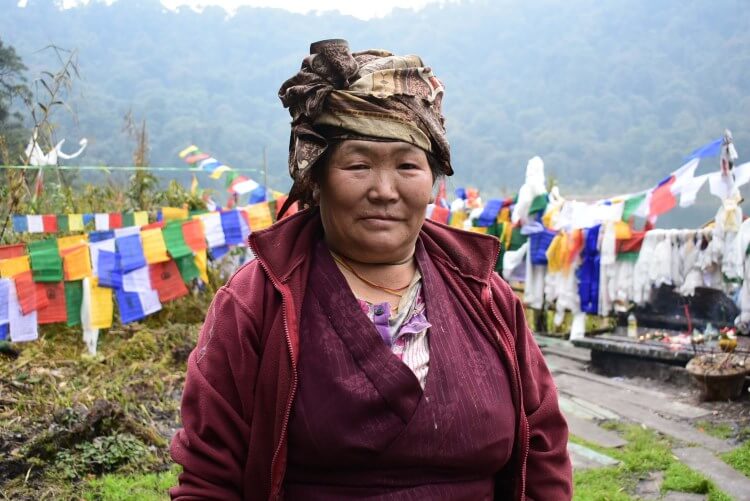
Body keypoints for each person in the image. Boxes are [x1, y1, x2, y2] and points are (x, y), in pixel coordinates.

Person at [170, 38, 572, 500]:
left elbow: (544, 448)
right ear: (314, 180)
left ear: (433, 181)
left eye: (407, 165)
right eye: (358, 164)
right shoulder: (257, 302)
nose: (384, 190)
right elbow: (209, 476)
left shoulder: (484, 294)